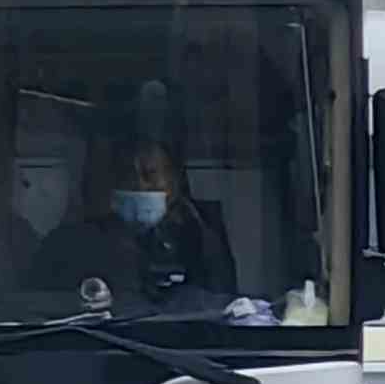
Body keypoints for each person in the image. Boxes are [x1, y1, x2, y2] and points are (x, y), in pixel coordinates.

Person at [37, 124, 239, 310]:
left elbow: (225, 309)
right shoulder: (70, 243)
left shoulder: (198, 240)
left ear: (173, 184)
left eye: (150, 175)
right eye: (127, 175)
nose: (139, 185)